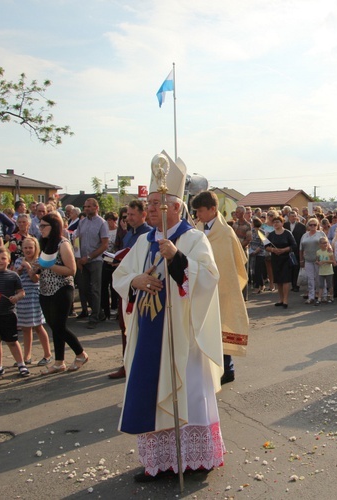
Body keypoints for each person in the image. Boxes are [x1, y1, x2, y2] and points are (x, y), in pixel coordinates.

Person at [113, 155, 225, 482]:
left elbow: (208, 279)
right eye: (148, 203)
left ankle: (195, 456)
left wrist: (177, 258)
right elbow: (121, 275)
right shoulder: (143, 241)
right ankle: (161, 461)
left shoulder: (192, 239)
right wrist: (134, 281)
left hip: (183, 334)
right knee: (152, 388)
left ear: (174, 207)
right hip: (150, 330)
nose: (149, 208)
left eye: (156, 203)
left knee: (188, 390)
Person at [192, 190, 249, 386]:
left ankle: (227, 369)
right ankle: (209, 367)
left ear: (213, 209)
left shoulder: (225, 233)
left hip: (222, 287)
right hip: (201, 288)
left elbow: (237, 260)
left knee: (221, 326)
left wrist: (228, 284)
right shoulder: (196, 230)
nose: (198, 215)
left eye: (200, 211)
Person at [38, 212, 89, 374]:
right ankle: (59, 361)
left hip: (62, 289)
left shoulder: (63, 243)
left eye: (43, 226)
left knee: (60, 326)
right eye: (40, 225)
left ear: (53, 227)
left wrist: (49, 265)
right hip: (45, 290)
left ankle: (80, 353)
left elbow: (71, 270)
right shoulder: (45, 243)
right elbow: (42, 267)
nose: (40, 229)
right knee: (53, 326)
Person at [107, 200, 152, 380]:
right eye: (127, 216)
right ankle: (127, 362)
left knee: (139, 326)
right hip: (126, 284)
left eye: (133, 215)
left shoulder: (148, 235)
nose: (129, 219)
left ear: (143, 214)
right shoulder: (127, 234)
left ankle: (137, 363)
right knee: (124, 325)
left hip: (142, 287)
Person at [0, 246, 29, 378]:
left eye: (3, 258)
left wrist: (17, 298)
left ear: (8, 261)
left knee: (12, 341)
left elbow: (22, 292)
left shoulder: (13, 275)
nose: (0, 261)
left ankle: (21, 364)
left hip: (8, 314)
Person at [13, 235, 52, 366]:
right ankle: (26, 356)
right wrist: (18, 270)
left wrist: (28, 267)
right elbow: (13, 278)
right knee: (25, 328)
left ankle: (47, 354)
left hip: (34, 296)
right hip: (22, 298)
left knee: (38, 326)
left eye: (30, 247)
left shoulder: (38, 261)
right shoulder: (18, 260)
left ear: (35, 248)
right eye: (25, 248)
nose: (28, 250)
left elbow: (35, 279)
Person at [76, 198, 109, 328]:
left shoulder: (102, 223)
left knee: (95, 288)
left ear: (96, 207)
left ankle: (94, 317)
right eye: (85, 206)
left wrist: (89, 257)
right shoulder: (82, 223)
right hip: (82, 260)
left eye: (89, 206)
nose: (87, 209)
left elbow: (104, 244)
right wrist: (78, 257)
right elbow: (76, 240)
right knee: (84, 288)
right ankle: (98, 312)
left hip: (95, 260)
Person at [266, 215, 296, 308]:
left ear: (282, 223)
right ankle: (281, 299)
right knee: (278, 280)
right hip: (275, 259)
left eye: (277, 222)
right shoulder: (271, 234)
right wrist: (273, 250)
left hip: (286, 259)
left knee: (285, 280)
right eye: (274, 222)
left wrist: (283, 250)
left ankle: (286, 300)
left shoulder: (287, 233)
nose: (275, 224)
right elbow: (266, 246)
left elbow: (294, 245)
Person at [300, 217, 324, 305]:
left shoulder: (321, 233)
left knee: (318, 278)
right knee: (310, 279)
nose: (313, 226)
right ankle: (311, 297)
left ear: (317, 225)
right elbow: (301, 248)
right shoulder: (304, 235)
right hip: (308, 259)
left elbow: (327, 246)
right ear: (308, 226)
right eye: (311, 225)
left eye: (315, 224)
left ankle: (320, 295)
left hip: (318, 260)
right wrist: (301, 260)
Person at [286, 211, 306, 292]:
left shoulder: (301, 226)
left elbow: (303, 238)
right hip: (288, 250)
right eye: (292, 216)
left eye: (295, 216)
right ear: (288, 217)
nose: (293, 217)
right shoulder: (285, 225)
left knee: (296, 268)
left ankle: (296, 285)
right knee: (290, 268)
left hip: (298, 250)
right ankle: (291, 284)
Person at [316, 236, 334, 303]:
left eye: (326, 243)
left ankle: (331, 297)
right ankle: (319, 298)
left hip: (329, 271)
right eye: (323, 243)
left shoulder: (329, 251)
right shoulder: (318, 252)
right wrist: (318, 262)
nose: (325, 244)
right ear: (320, 244)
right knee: (321, 285)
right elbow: (317, 260)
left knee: (329, 285)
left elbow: (333, 261)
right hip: (321, 271)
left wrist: (325, 261)